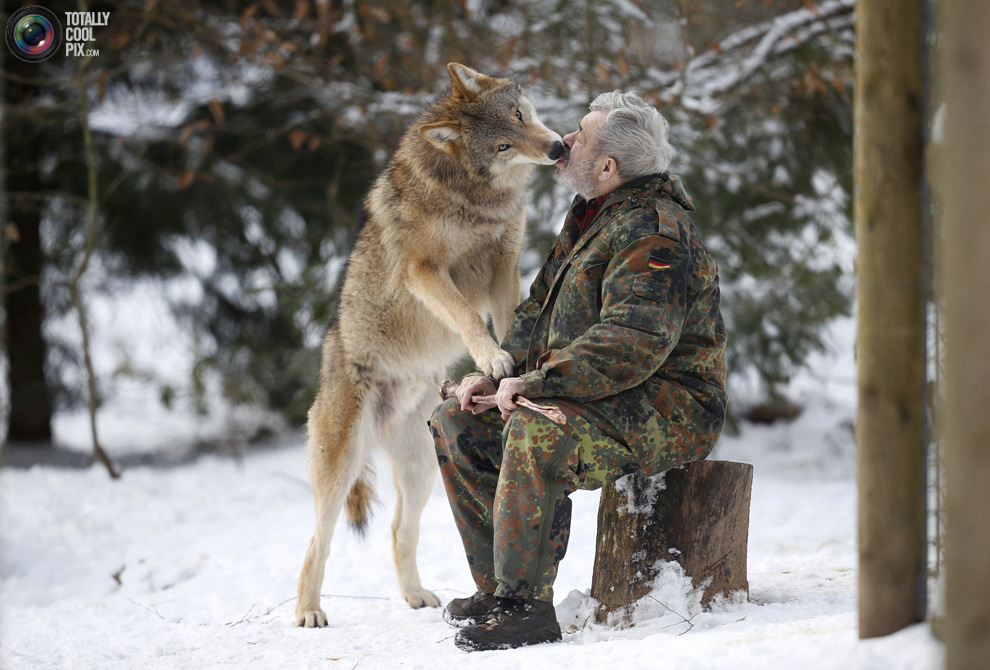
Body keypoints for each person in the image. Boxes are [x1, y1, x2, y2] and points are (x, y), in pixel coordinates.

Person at [429, 91, 727, 652]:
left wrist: (536, 386)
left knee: (537, 427)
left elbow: (631, 344)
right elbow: (535, 313)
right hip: (601, 391)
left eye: (581, 137)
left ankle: (525, 607)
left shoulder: (653, 232)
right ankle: (498, 591)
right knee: (456, 421)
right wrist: (494, 375)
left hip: (672, 406)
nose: (563, 142)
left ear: (609, 166)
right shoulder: (592, 213)